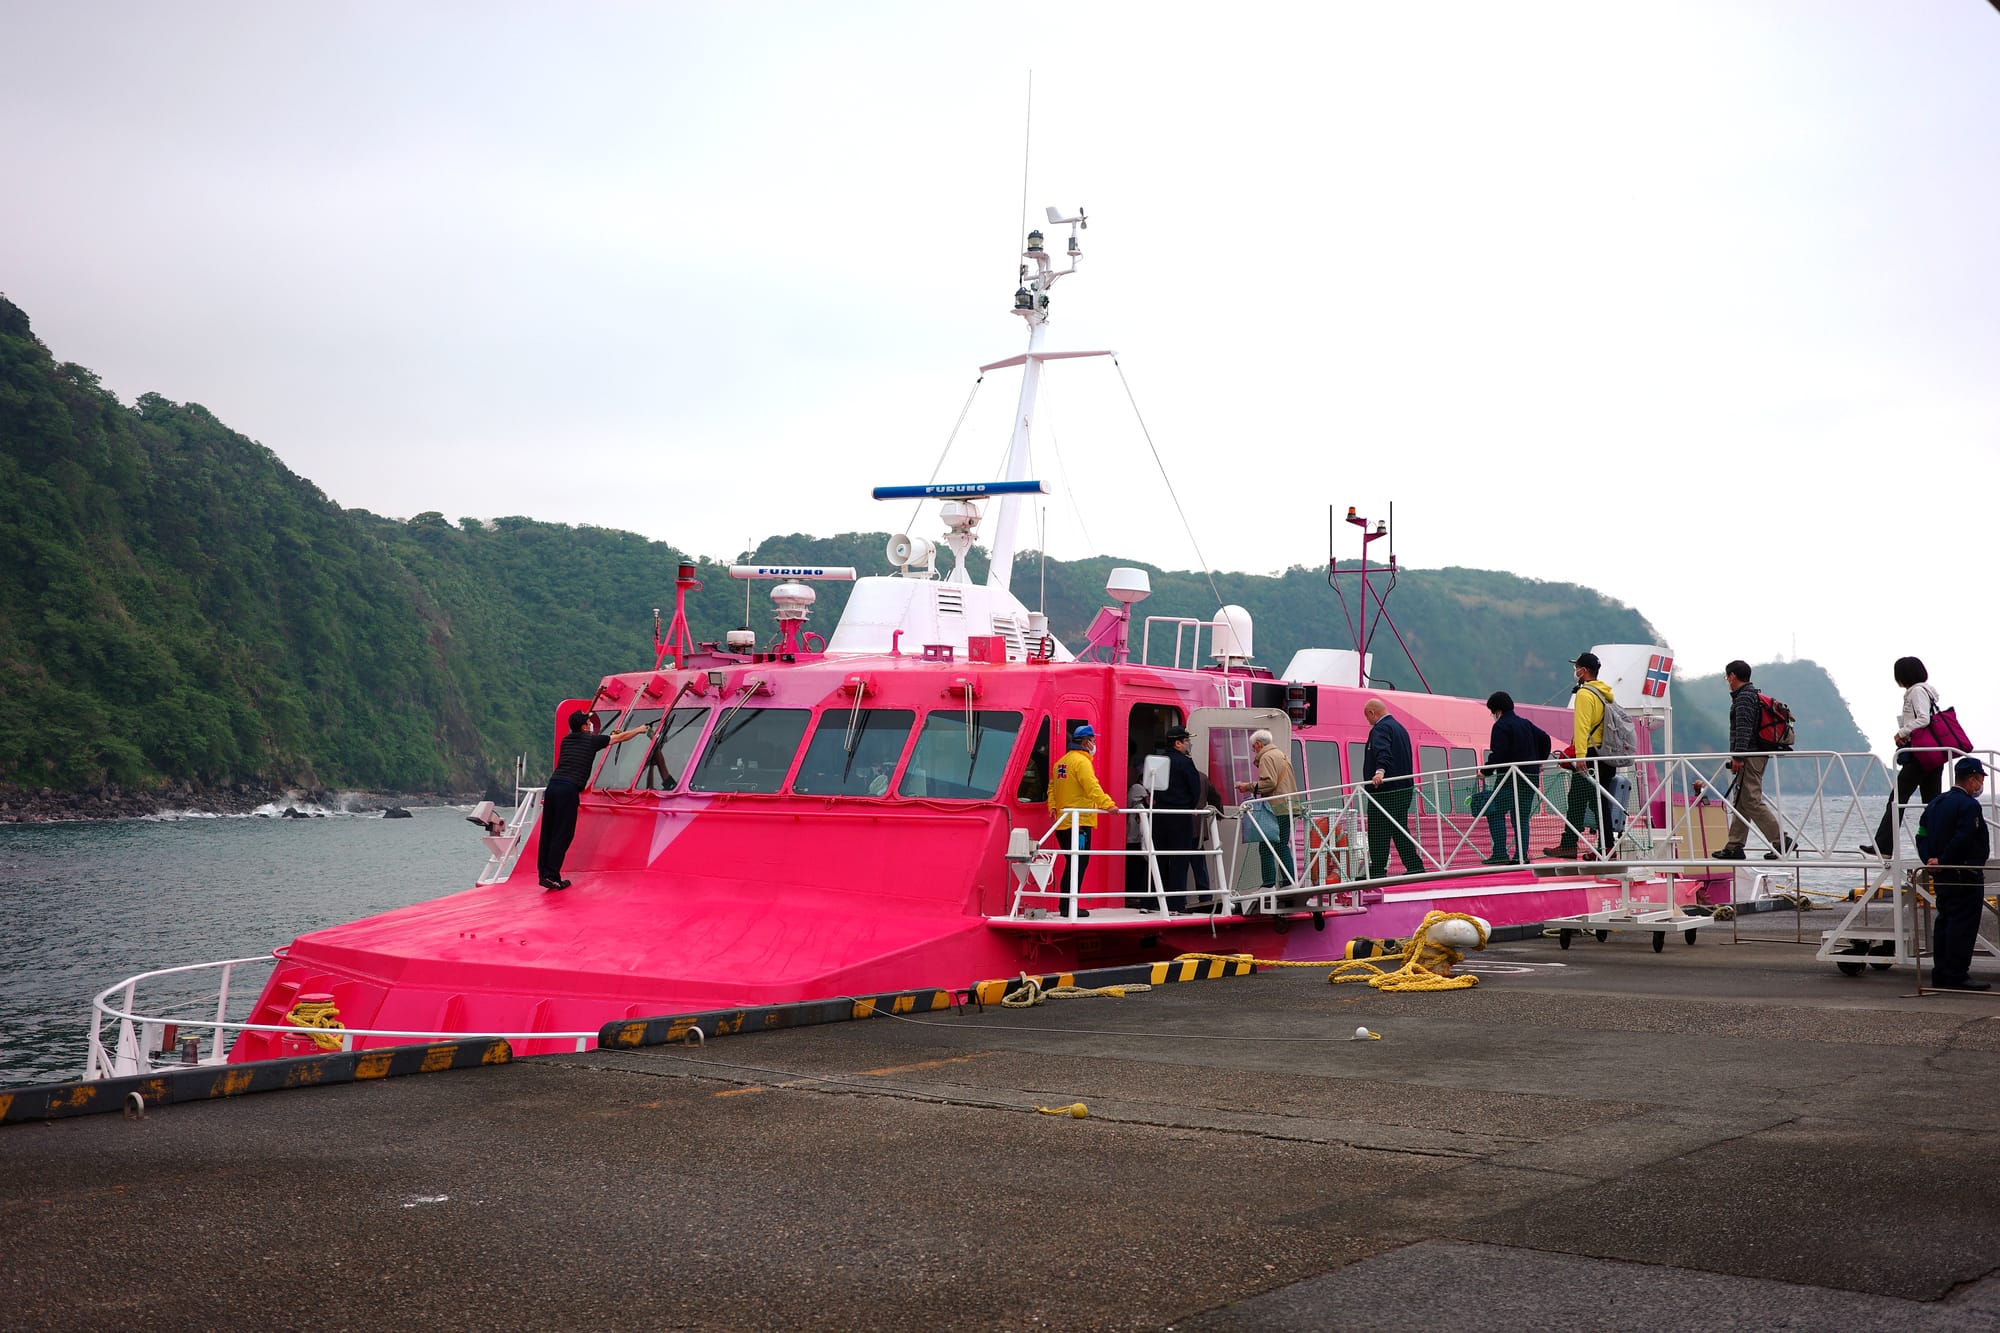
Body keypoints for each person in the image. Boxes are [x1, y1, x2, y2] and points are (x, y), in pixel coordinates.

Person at [540, 708, 652, 891]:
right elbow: (620, 739)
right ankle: (552, 876)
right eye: (588, 722)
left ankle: (544, 873)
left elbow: (598, 741)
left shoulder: (567, 741)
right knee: (563, 834)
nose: (590, 724)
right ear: (584, 727)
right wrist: (639, 730)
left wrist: (608, 737)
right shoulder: (591, 740)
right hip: (568, 789)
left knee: (549, 832)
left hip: (553, 786)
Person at [1915, 757, 1991, 991]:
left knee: (1945, 921)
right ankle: (1957, 974)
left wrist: (1929, 860)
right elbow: (1964, 836)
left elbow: (1921, 833)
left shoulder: (1936, 803)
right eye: (1979, 780)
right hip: (1963, 873)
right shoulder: (1969, 806)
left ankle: (1941, 973)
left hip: (1941, 874)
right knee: (1963, 925)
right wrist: (1945, 860)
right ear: (1972, 779)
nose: (1980, 785)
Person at [1869, 655, 1945, 857]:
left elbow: (1923, 718)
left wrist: (1902, 732)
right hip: (1932, 755)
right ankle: (1938, 847)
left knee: (1897, 799)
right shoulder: (1927, 691)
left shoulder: (1917, 691)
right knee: (1932, 803)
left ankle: (1884, 848)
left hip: (1920, 755)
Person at [1543, 652, 1615, 861]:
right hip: (1606, 755)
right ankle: (1600, 847)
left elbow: (1582, 727)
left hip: (1591, 756)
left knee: (1582, 801)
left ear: (1583, 671)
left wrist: (1580, 757)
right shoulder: (1604, 693)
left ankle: (1598, 848)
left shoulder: (1585, 694)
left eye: (1577, 668)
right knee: (1592, 801)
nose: (1575, 671)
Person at [1717, 659, 1790, 860]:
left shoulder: (1744, 699)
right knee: (1742, 799)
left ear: (1732, 676)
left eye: (1727, 677)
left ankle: (1781, 841)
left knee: (1750, 799)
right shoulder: (1752, 695)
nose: (1727, 681)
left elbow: (1743, 730)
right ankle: (1734, 846)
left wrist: (1738, 756)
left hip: (1750, 755)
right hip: (1754, 754)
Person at [1045, 724, 1117, 917]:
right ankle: (1069, 906)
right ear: (1086, 742)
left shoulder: (1061, 762)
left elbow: (1051, 787)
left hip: (1063, 821)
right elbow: (1091, 786)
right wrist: (1108, 805)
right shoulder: (1082, 762)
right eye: (1093, 740)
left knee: (1072, 862)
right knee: (1078, 863)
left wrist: (1052, 807)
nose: (1094, 744)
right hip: (1080, 823)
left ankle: (1065, 905)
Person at [1483, 691, 1549, 865]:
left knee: (1494, 811)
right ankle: (1521, 855)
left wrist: (1485, 771)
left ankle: (1499, 853)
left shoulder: (1500, 726)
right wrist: (1540, 761)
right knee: (1521, 817)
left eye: (1492, 712)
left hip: (1509, 779)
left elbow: (1499, 754)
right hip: (1529, 777)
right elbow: (1545, 738)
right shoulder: (1525, 724)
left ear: (1497, 711)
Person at [1362, 699, 1424, 878]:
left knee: (1377, 829)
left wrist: (1379, 772)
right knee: (1398, 827)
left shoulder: (1380, 729)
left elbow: (1383, 752)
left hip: (1384, 790)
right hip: (1403, 789)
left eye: (1368, 717)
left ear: (1373, 713)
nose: (1368, 721)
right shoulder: (1400, 729)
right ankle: (1411, 865)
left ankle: (1380, 868)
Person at [1155, 725, 1215, 910]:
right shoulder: (1185, 762)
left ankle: (1149, 901)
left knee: (1158, 859)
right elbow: (1194, 788)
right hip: (1180, 816)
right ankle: (1176, 903)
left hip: (1159, 816)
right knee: (1180, 860)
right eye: (1187, 741)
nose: (1189, 744)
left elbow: (1153, 787)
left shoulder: (1158, 761)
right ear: (1178, 743)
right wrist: (1188, 806)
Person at [1236, 729, 1300, 889]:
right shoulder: (1282, 755)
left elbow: (1269, 783)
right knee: (1281, 845)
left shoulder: (1266, 757)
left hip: (1275, 808)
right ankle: (1288, 882)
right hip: (1289, 806)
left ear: (1258, 744)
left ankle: (1269, 883)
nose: (1253, 751)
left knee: (1266, 846)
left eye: (1253, 748)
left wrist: (1247, 786)